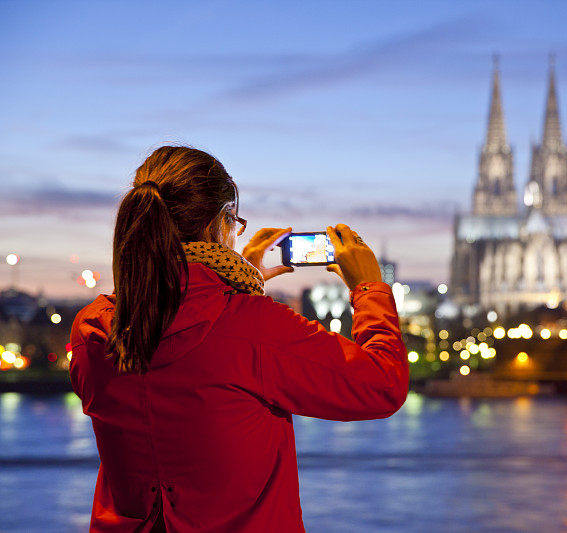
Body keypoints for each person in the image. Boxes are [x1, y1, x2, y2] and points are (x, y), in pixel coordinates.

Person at [69, 146, 409, 532]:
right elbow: (382, 385)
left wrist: (242, 282)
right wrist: (369, 287)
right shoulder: (255, 328)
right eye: (235, 223)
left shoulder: (92, 332)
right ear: (221, 224)